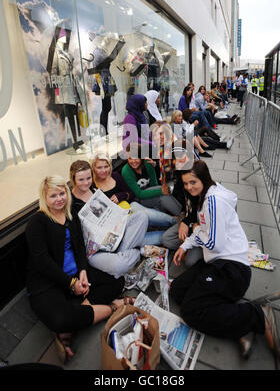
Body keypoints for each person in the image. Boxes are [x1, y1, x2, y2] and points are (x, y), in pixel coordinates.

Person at [170, 161, 280, 361]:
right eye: (185, 184)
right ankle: (237, 323)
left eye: (192, 182)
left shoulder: (213, 201)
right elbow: (204, 231)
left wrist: (194, 228)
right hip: (215, 264)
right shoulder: (206, 195)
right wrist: (184, 245)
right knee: (177, 290)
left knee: (190, 311)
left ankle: (255, 315)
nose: (188, 188)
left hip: (232, 270)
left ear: (203, 178)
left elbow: (215, 244)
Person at [25, 175, 126, 364]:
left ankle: (72, 323)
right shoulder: (37, 222)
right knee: (60, 320)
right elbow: (42, 262)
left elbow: (80, 247)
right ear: (44, 197)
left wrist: (82, 272)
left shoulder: (70, 213)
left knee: (117, 281)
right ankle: (112, 307)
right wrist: (71, 283)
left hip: (74, 274)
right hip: (49, 281)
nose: (59, 199)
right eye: (53, 196)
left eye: (62, 193)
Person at [70, 160, 161, 278]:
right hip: (96, 249)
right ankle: (136, 252)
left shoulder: (94, 191)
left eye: (88, 178)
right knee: (120, 264)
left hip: (113, 237)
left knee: (141, 216)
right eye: (81, 180)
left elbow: (110, 214)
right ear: (73, 179)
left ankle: (124, 252)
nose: (86, 183)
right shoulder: (71, 203)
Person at [90, 153, 175, 230]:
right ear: (93, 168)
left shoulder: (115, 176)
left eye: (106, 166)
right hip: (116, 219)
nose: (104, 170)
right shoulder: (92, 185)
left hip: (130, 206)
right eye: (99, 167)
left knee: (147, 214)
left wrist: (120, 196)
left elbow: (131, 193)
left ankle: (174, 221)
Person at [121, 142, 182, 217]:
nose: (133, 161)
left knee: (163, 194)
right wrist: (160, 191)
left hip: (151, 192)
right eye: (130, 158)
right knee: (162, 192)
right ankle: (181, 214)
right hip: (139, 199)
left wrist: (161, 191)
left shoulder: (148, 163)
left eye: (136, 157)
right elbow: (139, 194)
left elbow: (154, 184)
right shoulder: (126, 171)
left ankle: (179, 214)